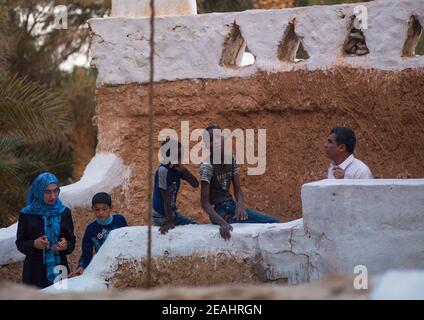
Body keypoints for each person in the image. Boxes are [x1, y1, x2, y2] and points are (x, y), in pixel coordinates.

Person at [200, 126, 279, 241]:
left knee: (272, 223)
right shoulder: (207, 166)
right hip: (220, 212)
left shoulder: (231, 160)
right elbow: (204, 203)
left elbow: (238, 190)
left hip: (231, 207)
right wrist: (222, 223)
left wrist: (240, 206)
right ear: (207, 145)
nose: (215, 142)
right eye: (211, 140)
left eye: (218, 137)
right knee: (273, 222)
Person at [15, 172, 76, 289]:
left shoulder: (64, 212)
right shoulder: (27, 214)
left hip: (60, 269)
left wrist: (66, 245)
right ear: (39, 191)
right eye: (48, 192)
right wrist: (34, 244)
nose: (53, 196)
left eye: (55, 191)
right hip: (34, 272)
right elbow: (20, 243)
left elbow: (71, 241)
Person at [70, 192, 127, 277]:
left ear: (111, 208)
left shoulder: (120, 220)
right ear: (92, 209)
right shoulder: (91, 229)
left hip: (122, 264)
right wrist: (82, 266)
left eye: (104, 209)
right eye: (97, 209)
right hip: (103, 268)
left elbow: (128, 241)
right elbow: (87, 254)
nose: (101, 212)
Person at [152, 140, 199, 234]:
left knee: (195, 225)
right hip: (161, 217)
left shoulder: (177, 169)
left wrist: (184, 170)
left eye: (180, 156)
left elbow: (195, 184)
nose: (179, 159)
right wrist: (170, 222)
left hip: (171, 214)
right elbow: (166, 199)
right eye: (177, 156)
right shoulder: (163, 171)